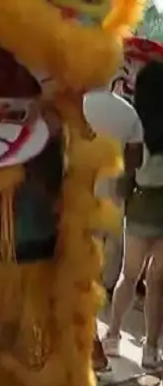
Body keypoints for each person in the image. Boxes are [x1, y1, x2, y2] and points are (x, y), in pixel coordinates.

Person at [103, 59, 163, 369]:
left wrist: (120, 196)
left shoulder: (135, 125)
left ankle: (112, 335)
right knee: (158, 281)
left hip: (140, 206)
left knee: (130, 274)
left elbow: (128, 173)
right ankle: (151, 349)